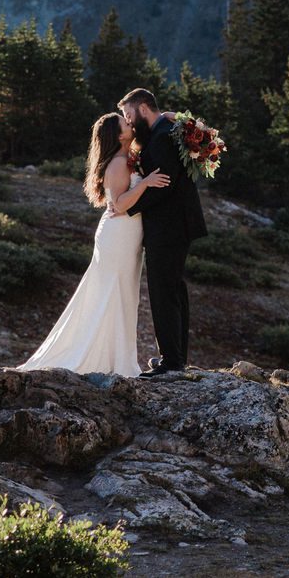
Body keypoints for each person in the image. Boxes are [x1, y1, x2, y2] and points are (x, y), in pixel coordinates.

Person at [15, 110, 170, 377]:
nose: (130, 124)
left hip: (126, 234)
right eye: (125, 123)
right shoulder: (118, 163)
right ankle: (105, 360)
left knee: (122, 294)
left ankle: (115, 357)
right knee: (113, 293)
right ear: (118, 134)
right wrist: (145, 183)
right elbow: (119, 205)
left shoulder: (125, 158)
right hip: (119, 234)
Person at [121, 87, 208, 373]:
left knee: (163, 292)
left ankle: (171, 362)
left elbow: (164, 184)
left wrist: (125, 207)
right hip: (178, 224)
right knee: (174, 290)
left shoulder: (160, 137)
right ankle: (176, 357)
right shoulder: (169, 129)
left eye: (129, 114)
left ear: (143, 108)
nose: (129, 121)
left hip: (168, 226)